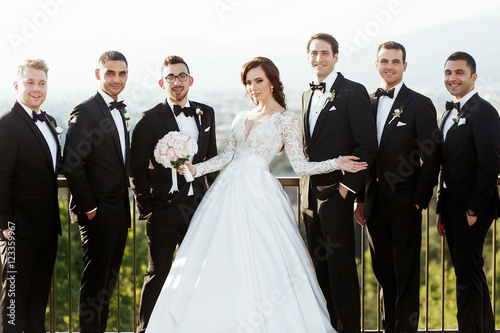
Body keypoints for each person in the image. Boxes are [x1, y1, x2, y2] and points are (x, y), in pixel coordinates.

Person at [144, 57, 366, 332]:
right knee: (221, 256)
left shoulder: (286, 119)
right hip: (226, 192)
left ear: (272, 80)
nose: (253, 87)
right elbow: (226, 157)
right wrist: (193, 169)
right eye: (248, 82)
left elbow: (300, 166)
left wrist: (336, 162)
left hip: (259, 193)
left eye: (258, 80)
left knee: (265, 259)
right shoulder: (241, 116)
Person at [354, 42, 441, 333]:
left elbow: (432, 155)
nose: (389, 66)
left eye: (395, 61)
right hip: (373, 202)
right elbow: (361, 153)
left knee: (405, 275)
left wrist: (419, 200)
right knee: (383, 274)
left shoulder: (419, 103)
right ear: (376, 65)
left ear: (405, 66)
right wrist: (359, 198)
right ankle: (387, 328)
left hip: (405, 203)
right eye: (383, 61)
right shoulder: (366, 102)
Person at [129, 55, 218, 333]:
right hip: (163, 210)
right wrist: (148, 208)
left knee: (199, 274)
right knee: (158, 274)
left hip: (198, 208)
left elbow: (211, 158)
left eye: (181, 76)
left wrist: (214, 200)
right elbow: (136, 169)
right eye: (170, 77)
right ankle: (146, 329)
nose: (176, 82)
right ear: (161, 82)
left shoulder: (207, 113)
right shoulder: (149, 119)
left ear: (190, 80)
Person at [301, 33, 377, 332]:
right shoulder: (306, 95)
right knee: (319, 270)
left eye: (324, 53)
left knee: (341, 270)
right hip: (309, 195)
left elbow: (367, 145)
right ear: (308, 57)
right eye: (313, 53)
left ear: (335, 56)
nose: (318, 58)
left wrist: (347, 189)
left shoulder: (353, 91)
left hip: (337, 195)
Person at [62, 51, 130, 333]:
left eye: (122, 73)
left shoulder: (118, 108)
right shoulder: (86, 110)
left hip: (119, 211)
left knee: (107, 286)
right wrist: (90, 208)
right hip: (98, 214)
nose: (116, 79)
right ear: (98, 74)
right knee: (94, 287)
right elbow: (72, 163)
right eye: (110, 73)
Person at [436, 51, 500, 333]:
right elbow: (445, 165)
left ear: (473, 77)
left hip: (471, 209)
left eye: (460, 73)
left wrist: (474, 209)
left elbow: (490, 164)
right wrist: (441, 207)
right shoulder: (449, 111)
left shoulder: (484, 112)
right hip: (451, 206)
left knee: (468, 277)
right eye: (449, 72)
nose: (453, 78)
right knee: (468, 275)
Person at [0, 59, 61, 332]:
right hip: (16, 232)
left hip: (47, 230)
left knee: (38, 304)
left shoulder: (48, 121)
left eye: (42, 83)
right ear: (16, 86)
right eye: (30, 82)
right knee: (12, 306)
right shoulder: (7, 125)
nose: (37, 89)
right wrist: (4, 227)